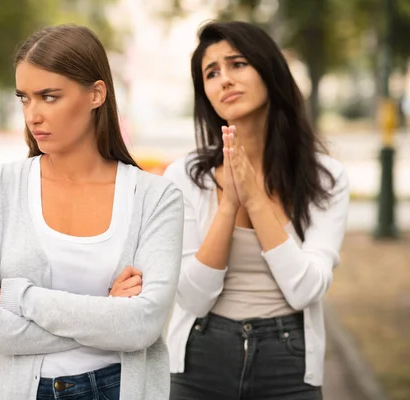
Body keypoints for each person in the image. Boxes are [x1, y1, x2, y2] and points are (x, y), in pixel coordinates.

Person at [0, 24, 184, 400]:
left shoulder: (155, 197)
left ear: (96, 94)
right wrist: (107, 314)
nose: (33, 115)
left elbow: (143, 326)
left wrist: (20, 298)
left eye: (48, 96)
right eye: (24, 98)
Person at [163, 21, 350, 399]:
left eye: (237, 64)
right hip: (201, 356)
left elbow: (305, 290)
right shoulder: (185, 176)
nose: (225, 80)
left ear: (269, 70)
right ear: (206, 94)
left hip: (288, 359)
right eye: (211, 73)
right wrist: (229, 204)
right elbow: (193, 299)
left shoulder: (327, 178)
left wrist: (255, 199)